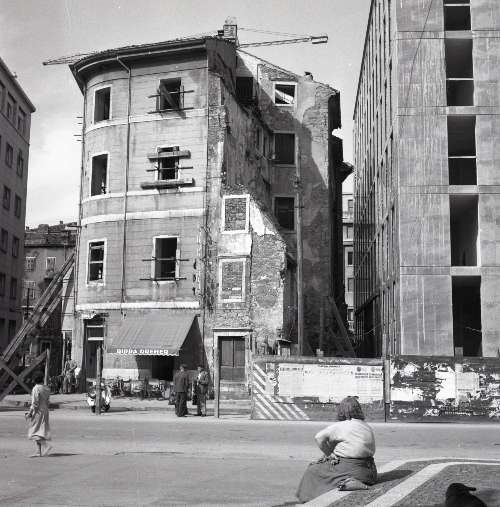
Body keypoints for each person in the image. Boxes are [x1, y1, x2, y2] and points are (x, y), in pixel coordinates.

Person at [296, 396, 377, 503]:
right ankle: (350, 482)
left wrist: (329, 453)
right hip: (370, 473)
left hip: (352, 469)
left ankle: (309, 501)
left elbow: (318, 437)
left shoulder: (341, 426)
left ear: (341, 410)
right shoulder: (366, 426)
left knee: (313, 470)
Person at [25, 371, 52, 457]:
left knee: (33, 431)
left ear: (34, 380)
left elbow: (35, 403)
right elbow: (48, 402)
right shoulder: (46, 388)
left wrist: (29, 413)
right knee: (39, 431)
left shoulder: (35, 388)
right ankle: (38, 452)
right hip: (45, 411)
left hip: (38, 412)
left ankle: (46, 446)